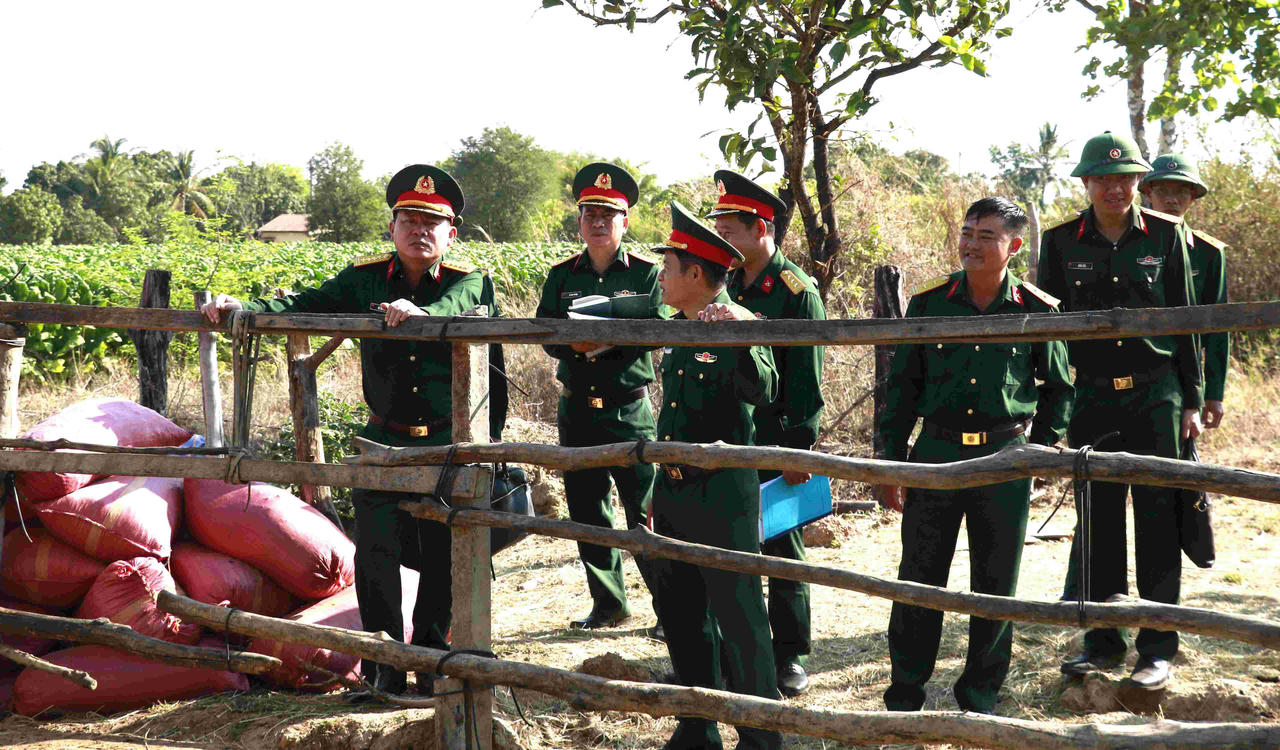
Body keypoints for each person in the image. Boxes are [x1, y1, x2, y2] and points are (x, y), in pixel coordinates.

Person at [201, 165, 498, 698]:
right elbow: (304, 302)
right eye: (409, 219)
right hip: (382, 441)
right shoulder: (365, 278)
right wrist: (243, 308)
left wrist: (421, 311)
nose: (420, 230)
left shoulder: (466, 281)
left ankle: (431, 662)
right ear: (392, 228)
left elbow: (456, 307)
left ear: (451, 234)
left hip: (444, 444)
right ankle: (383, 662)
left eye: (433, 222)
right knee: (375, 551)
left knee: (440, 555)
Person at [874, 197, 1073, 713]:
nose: (972, 244)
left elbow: (1060, 387)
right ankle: (905, 689)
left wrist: (1042, 453)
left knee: (996, 581)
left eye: (986, 236)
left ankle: (980, 693)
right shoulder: (929, 304)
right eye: (967, 233)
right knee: (919, 576)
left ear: (1013, 246)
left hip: (1006, 455)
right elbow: (901, 392)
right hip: (936, 452)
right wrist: (889, 462)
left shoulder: (1037, 310)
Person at [1038, 131, 1204, 691]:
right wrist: (1054, 412)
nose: (1115, 188)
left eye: (1126, 177)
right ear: (1086, 183)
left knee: (1159, 518)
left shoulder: (1168, 234)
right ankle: (1102, 642)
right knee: (1099, 523)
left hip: (1156, 396)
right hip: (1091, 397)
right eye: (1104, 178)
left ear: (1140, 181)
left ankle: (1157, 649)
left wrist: (1194, 401)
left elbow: (1186, 320)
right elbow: (1052, 337)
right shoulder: (1060, 243)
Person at [652, 201, 781, 750]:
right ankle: (697, 724)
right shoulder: (679, 325)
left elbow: (765, 389)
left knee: (739, 614)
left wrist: (746, 334)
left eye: (668, 267)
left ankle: (760, 735)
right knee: (680, 612)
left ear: (696, 274)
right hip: (675, 488)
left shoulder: (734, 322)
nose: (660, 277)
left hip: (722, 491)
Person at [703, 169, 825, 697]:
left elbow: (806, 380)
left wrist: (799, 447)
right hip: (729, 437)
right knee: (732, 546)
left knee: (782, 548)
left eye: (731, 230)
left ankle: (791, 653)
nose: (722, 240)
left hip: (776, 437)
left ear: (763, 228)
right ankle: (740, 650)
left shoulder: (796, 291)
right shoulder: (721, 283)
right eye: (720, 230)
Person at [535, 163, 663, 631]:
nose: (598, 221)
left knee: (645, 513)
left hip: (629, 408)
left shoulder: (649, 274)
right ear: (579, 221)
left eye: (609, 214)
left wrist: (611, 341)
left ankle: (669, 609)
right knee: (589, 513)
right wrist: (570, 343)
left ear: (625, 221)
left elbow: (658, 330)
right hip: (577, 408)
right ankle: (608, 604)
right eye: (590, 212)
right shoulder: (561, 275)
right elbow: (543, 331)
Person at [1139, 154, 1229, 429]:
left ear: (1193, 196)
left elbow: (1217, 328)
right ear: (1148, 193)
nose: (1171, 200)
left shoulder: (1208, 253)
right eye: (1163, 190)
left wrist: (1213, 393)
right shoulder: (1131, 245)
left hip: (1182, 374)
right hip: (1133, 370)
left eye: (1180, 191)